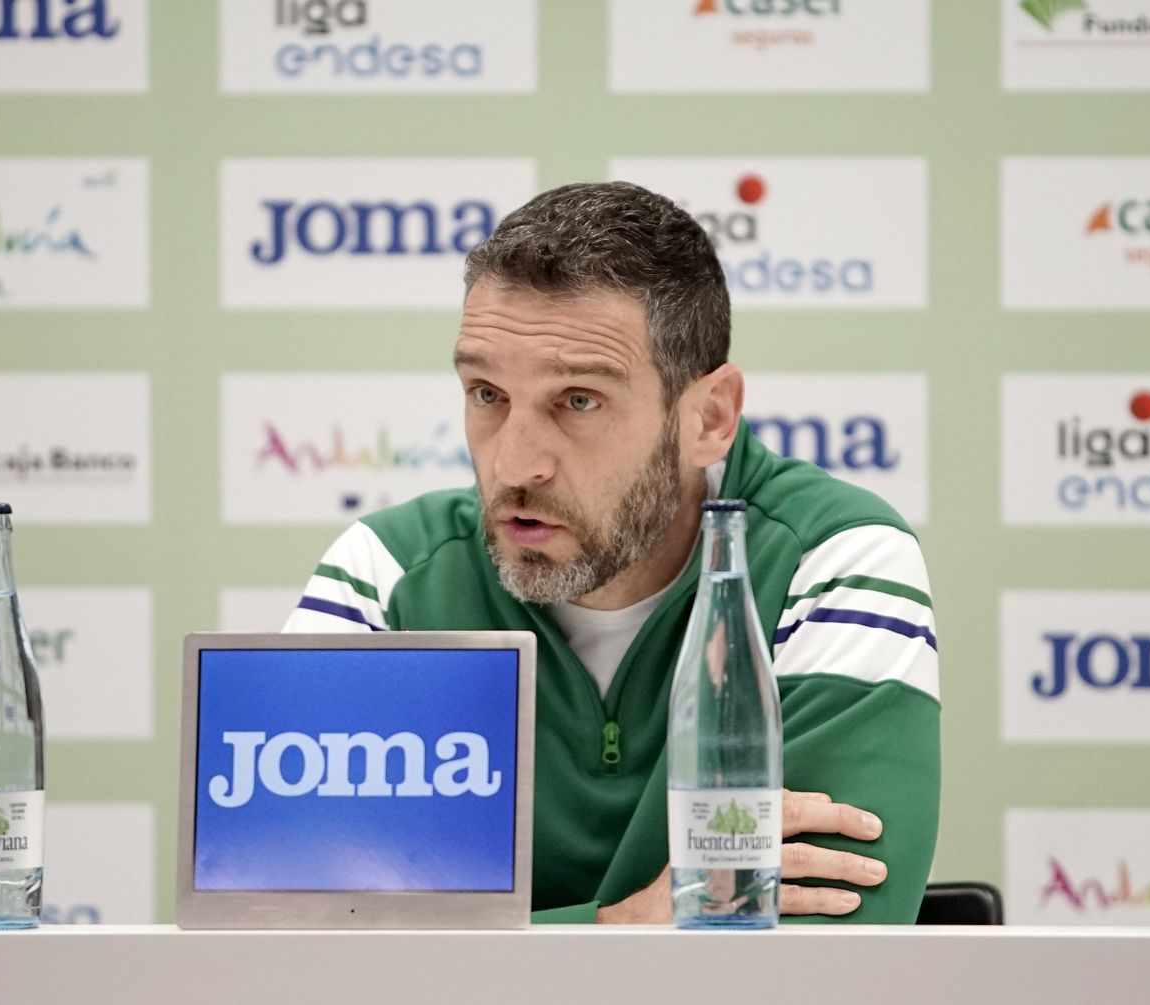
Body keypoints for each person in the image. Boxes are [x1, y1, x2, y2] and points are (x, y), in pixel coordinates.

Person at [283, 181, 941, 923]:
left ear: (710, 417)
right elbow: (297, 946)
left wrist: (485, 948)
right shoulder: (385, 577)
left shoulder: (834, 560)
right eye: (487, 394)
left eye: (579, 400)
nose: (514, 465)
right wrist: (620, 927)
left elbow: (830, 944)